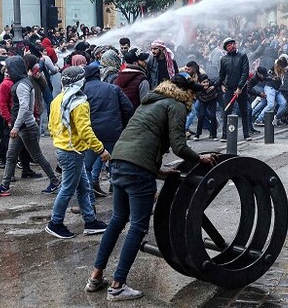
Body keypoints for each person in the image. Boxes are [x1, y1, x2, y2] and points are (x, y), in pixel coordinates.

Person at [85, 73, 217, 301]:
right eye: (193, 94)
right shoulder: (176, 105)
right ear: (187, 93)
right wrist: (200, 158)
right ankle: (117, 286)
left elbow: (142, 138)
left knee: (117, 220)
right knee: (137, 226)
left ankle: (95, 277)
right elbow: (178, 145)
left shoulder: (150, 102)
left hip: (118, 162)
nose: (194, 99)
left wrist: (158, 171)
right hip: (137, 170)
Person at [45, 66, 110, 239]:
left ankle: (90, 221)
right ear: (80, 82)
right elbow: (85, 131)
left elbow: (51, 126)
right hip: (72, 151)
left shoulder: (58, 99)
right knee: (67, 188)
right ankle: (55, 223)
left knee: (83, 187)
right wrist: (101, 150)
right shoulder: (79, 102)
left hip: (64, 148)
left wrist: (61, 140)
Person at [0, 56, 60, 197]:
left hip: (25, 127)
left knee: (36, 156)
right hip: (23, 127)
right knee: (11, 156)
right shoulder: (22, 83)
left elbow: (25, 108)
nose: (6, 70)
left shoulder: (21, 85)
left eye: (8, 68)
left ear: (14, 69)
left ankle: (55, 182)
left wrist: (15, 127)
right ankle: (4, 185)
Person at [82, 64, 134, 198]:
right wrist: (121, 124)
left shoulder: (82, 91)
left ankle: (89, 195)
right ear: (99, 75)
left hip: (92, 133)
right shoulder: (113, 88)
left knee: (87, 166)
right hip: (113, 131)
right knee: (114, 162)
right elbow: (128, 108)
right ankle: (117, 192)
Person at [217, 37, 251, 141]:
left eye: (233, 43)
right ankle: (224, 135)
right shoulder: (223, 59)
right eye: (229, 45)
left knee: (244, 111)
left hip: (241, 89)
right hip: (229, 89)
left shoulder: (242, 56)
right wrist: (220, 85)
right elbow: (221, 75)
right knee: (226, 111)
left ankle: (246, 134)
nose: (232, 46)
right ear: (226, 48)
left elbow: (245, 72)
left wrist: (240, 87)